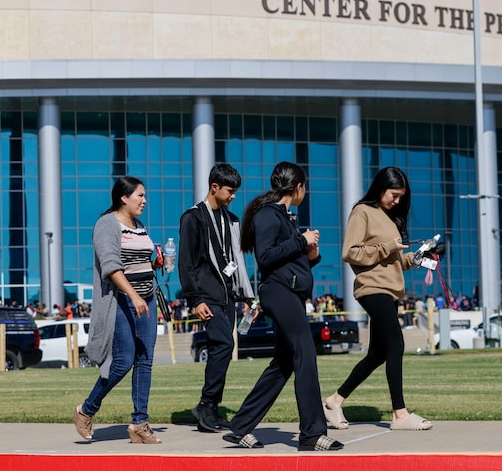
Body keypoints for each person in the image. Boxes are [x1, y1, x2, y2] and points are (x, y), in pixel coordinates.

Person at [222, 162, 343, 452]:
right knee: (305, 352)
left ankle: (240, 426)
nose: (306, 191)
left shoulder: (284, 217)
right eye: (305, 187)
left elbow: (288, 261)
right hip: (278, 293)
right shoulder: (268, 215)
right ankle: (312, 433)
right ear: (298, 187)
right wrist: (301, 240)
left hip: (289, 292)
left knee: (284, 363)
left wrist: (310, 253)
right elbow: (265, 258)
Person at [323, 166, 432, 432]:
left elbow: (391, 260)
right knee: (396, 344)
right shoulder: (362, 211)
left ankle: (334, 401)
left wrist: (415, 258)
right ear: (381, 188)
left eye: (400, 198)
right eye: (394, 195)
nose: (397, 201)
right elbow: (350, 252)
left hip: (390, 288)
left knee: (378, 353)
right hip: (372, 288)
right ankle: (400, 414)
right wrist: (388, 247)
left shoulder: (389, 217)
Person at [73, 176, 163, 444]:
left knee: (145, 361)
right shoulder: (107, 224)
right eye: (140, 196)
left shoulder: (139, 225)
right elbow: (111, 266)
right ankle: (86, 409)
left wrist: (156, 263)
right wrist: (134, 295)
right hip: (121, 301)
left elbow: (138, 261)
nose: (144, 201)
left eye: (145, 196)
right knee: (123, 362)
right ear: (124, 197)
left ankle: (139, 424)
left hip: (147, 299)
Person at [178, 163, 254, 433]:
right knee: (222, 344)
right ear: (214, 187)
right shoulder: (193, 218)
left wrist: (245, 295)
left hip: (228, 297)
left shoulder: (231, 220)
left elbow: (237, 261)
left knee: (225, 348)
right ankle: (205, 405)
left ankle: (211, 407)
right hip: (206, 296)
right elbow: (185, 264)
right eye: (230, 191)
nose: (233, 196)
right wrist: (195, 299)